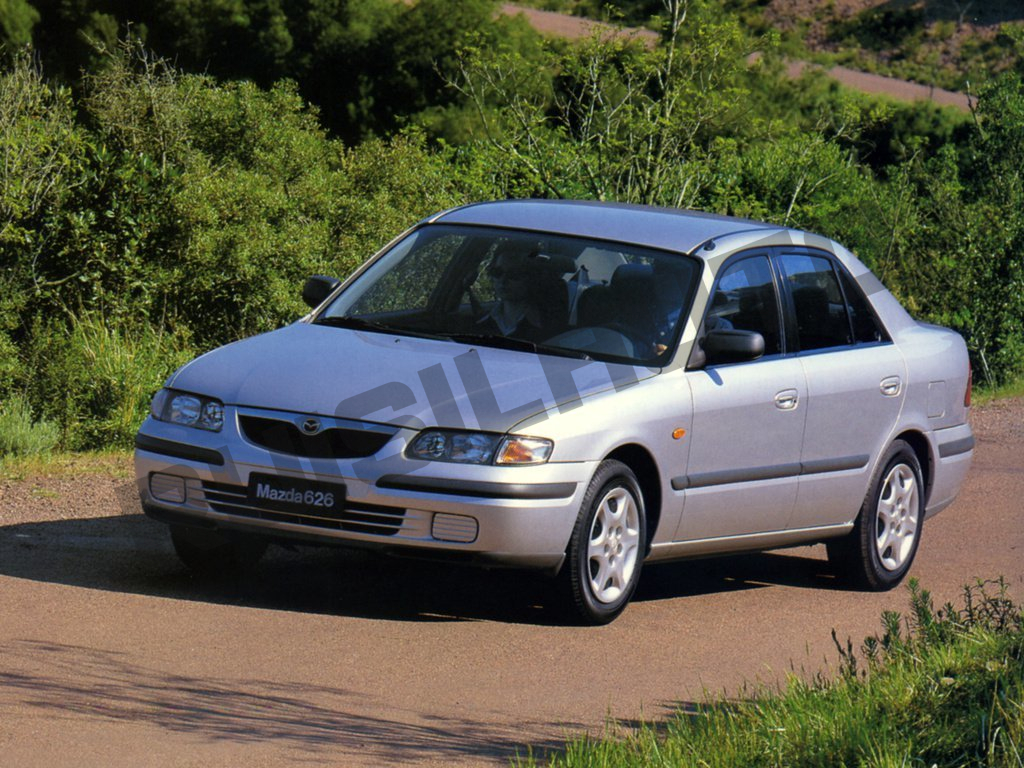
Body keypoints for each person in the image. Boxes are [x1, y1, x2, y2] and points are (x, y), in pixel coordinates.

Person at [478, 241, 568, 341]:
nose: (503, 280)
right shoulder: (482, 322)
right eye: (497, 272)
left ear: (532, 277)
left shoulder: (549, 327)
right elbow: (466, 356)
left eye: (514, 274)